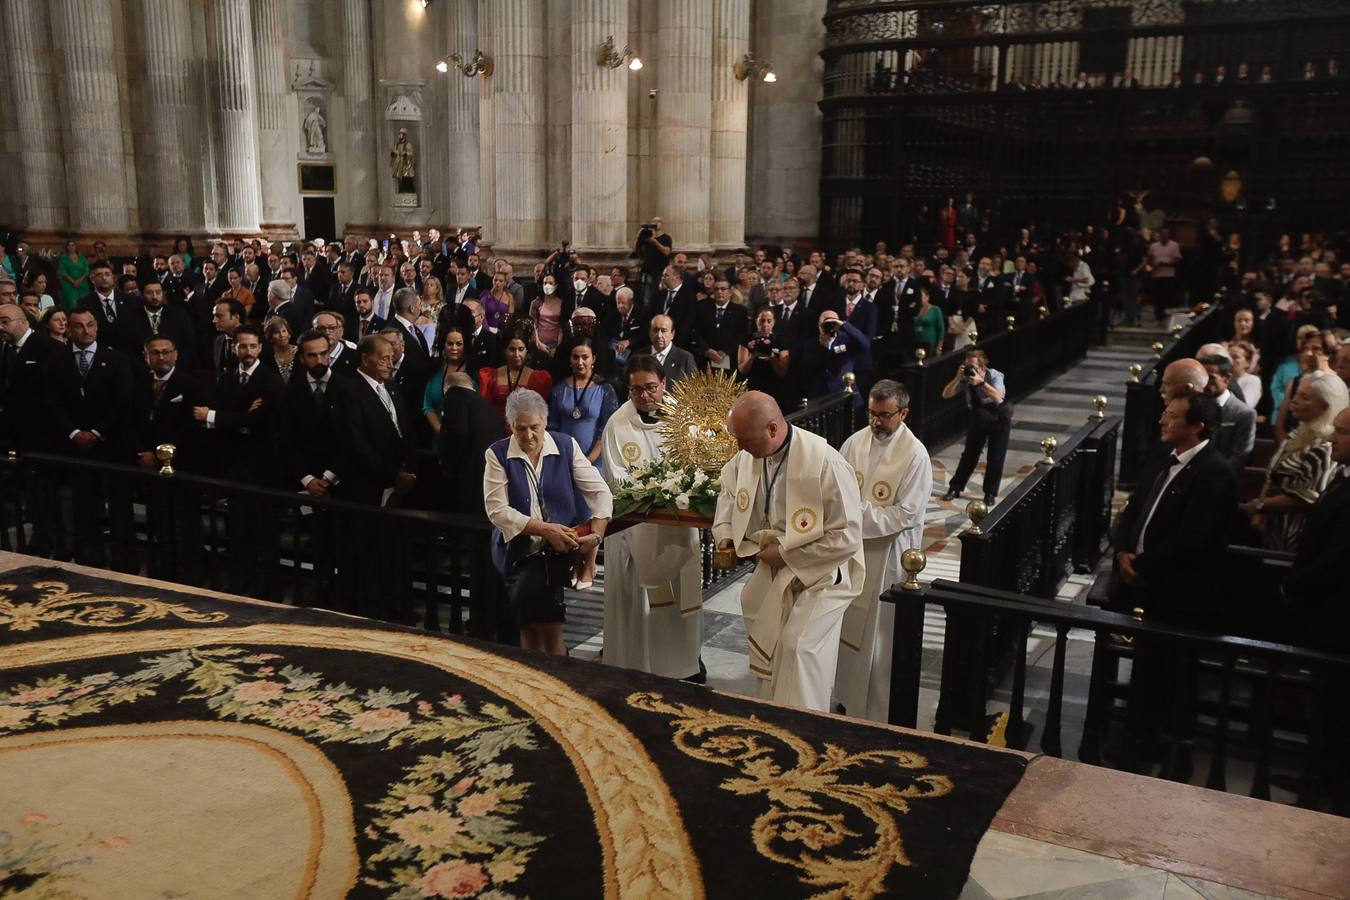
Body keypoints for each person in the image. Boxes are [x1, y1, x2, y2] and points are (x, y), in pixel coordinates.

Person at [713, 391, 866, 711]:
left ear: (772, 429)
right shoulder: (748, 457)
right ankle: (774, 720)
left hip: (823, 575)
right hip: (777, 572)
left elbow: (848, 536)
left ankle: (806, 725)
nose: (739, 448)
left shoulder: (826, 463)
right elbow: (728, 492)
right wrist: (726, 536)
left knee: (799, 647)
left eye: (745, 439)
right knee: (775, 650)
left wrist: (787, 555)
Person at [1111, 390, 1236, 777]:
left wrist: (1143, 565)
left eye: (1172, 415)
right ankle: (1137, 736)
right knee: (1148, 666)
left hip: (1180, 592)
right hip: (1143, 579)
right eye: (1164, 412)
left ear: (1197, 425)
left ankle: (1165, 744)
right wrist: (1122, 552)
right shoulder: (1163, 458)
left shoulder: (1215, 473)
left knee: (1172, 671)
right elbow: (1134, 510)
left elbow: (1193, 538)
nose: (1163, 420)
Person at [600, 355, 706, 681]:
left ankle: (684, 664)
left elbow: (698, 462)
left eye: (651, 388)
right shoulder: (618, 425)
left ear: (663, 384)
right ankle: (639, 665)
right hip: (636, 528)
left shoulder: (681, 419)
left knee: (680, 598)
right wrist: (656, 492)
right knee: (641, 604)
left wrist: (688, 486)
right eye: (637, 390)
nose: (645, 396)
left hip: (679, 524)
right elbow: (618, 479)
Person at [484, 388, 612, 655]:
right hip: (516, 552)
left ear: (546, 422)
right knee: (529, 626)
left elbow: (600, 492)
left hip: (556, 552)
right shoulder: (497, 454)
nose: (528, 436)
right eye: (521, 429)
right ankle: (543, 677)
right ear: (510, 425)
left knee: (546, 625)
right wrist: (544, 529)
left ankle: (555, 675)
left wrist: (597, 536)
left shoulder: (565, 446)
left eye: (535, 427)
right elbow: (496, 510)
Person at [833, 380, 932, 722]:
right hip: (851, 552)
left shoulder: (915, 455)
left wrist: (856, 514)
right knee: (847, 623)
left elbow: (906, 514)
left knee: (879, 635)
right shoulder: (854, 442)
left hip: (889, 556)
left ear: (903, 413)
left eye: (884, 416)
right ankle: (845, 695)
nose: (875, 423)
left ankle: (875, 707)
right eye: (872, 414)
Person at [1246, 371, 1349, 553]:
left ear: (1325, 407)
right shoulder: (1295, 435)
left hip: (1295, 531)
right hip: (1272, 526)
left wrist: (1261, 505)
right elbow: (1273, 476)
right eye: (1296, 394)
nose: (1294, 400)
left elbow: (1306, 496)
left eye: (1304, 397)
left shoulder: (1324, 447)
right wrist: (1260, 507)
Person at [941, 347, 1012, 505]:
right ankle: (955, 487)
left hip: (999, 417)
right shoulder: (965, 378)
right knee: (969, 455)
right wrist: (957, 377)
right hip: (978, 418)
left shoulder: (995, 375)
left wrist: (981, 383)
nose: (970, 369)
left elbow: (998, 396)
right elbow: (946, 394)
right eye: (967, 365)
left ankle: (990, 493)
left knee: (996, 457)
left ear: (982, 367)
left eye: (973, 366)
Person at [438, 371, 503, 516]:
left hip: (466, 478)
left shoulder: (454, 395)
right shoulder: (487, 407)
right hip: (490, 479)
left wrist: (449, 466)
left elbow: (458, 432)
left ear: (446, 388)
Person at [479, 334, 552, 429]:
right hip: (495, 429)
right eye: (512, 349)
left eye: (521, 349)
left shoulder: (539, 378)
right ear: (505, 351)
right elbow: (485, 409)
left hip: (525, 430)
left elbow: (540, 411)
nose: (516, 354)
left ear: (526, 351)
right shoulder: (490, 376)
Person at [1199, 354, 1256, 468]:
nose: (1204, 383)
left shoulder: (1243, 413)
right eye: (1202, 377)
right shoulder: (1195, 405)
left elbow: (1240, 455)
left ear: (1227, 378)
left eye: (1211, 377)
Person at [423, 326, 477, 447]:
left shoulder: (473, 373)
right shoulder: (435, 369)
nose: (454, 348)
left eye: (459, 344)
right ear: (444, 345)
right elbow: (428, 405)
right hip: (438, 439)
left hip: (466, 440)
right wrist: (439, 429)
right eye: (450, 343)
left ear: (466, 345)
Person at [738, 307, 793, 411]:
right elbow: (742, 369)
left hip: (775, 389)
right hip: (753, 388)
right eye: (762, 320)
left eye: (769, 321)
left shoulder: (780, 340)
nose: (765, 324)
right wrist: (752, 356)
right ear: (756, 321)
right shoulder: (747, 339)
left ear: (774, 322)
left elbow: (782, 371)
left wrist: (772, 357)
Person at [646, 314, 697, 383]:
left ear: (672, 334)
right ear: (649, 332)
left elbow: (693, 389)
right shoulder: (639, 355)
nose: (659, 335)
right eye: (655, 330)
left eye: (664, 331)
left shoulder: (685, 358)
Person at [911, 283, 945, 356]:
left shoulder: (935, 309)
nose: (919, 299)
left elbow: (941, 330)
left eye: (921, 296)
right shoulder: (913, 309)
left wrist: (939, 347)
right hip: (915, 341)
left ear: (927, 297)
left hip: (930, 341)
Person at [57, 240, 90, 310]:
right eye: (69, 245)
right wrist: (73, 281)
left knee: (85, 304)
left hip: (82, 284)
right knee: (72, 305)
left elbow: (86, 271)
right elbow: (63, 272)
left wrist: (79, 281)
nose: (71, 247)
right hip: (69, 285)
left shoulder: (82, 258)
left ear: (76, 247)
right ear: (67, 247)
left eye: (73, 245)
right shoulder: (63, 258)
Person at [263, 317, 296, 383]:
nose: (281, 335)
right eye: (276, 332)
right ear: (270, 337)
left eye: (284, 331)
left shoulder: (299, 351)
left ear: (289, 334)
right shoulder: (266, 356)